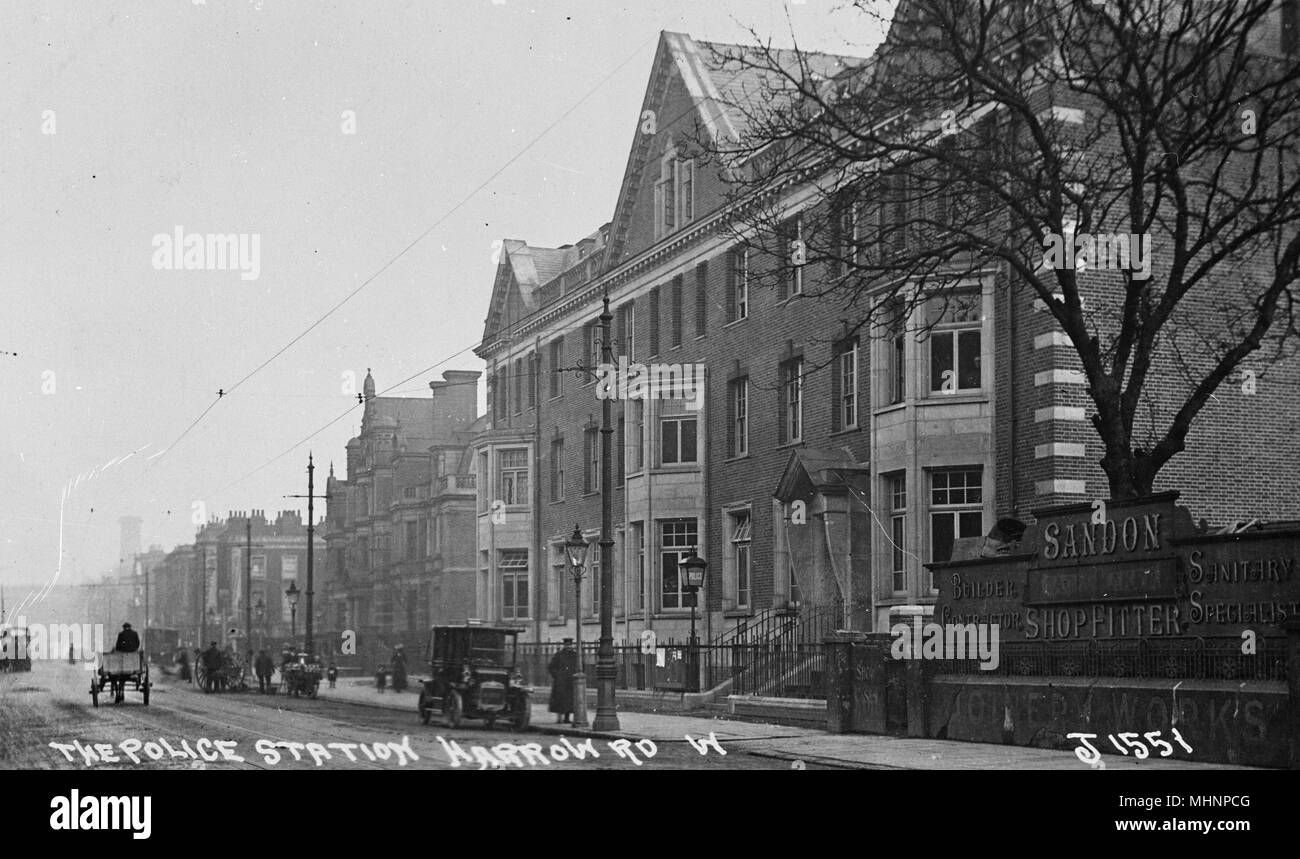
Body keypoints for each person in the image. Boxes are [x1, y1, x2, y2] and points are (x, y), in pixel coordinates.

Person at [548, 638, 577, 724]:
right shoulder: (559, 655)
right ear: (564, 645)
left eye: (570, 645)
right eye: (566, 645)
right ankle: (559, 718)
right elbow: (551, 667)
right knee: (559, 699)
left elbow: (580, 666)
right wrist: (557, 676)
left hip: (571, 680)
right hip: (560, 681)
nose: (568, 646)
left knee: (569, 700)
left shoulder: (575, 655)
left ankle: (567, 718)